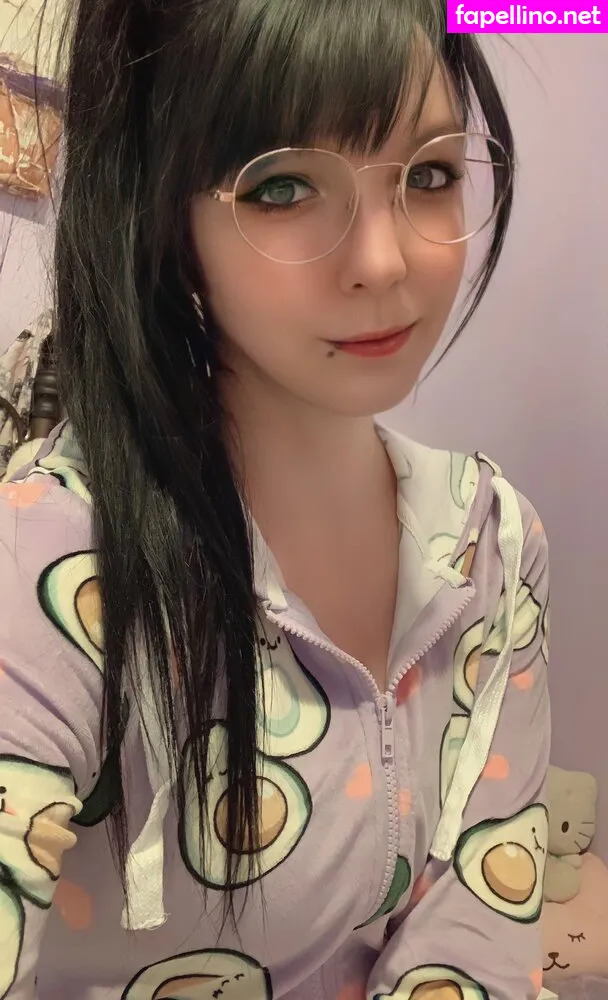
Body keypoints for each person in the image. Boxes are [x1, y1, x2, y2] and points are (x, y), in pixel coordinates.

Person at [0, 0, 551, 997]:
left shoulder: (493, 540)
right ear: (163, 215)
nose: (384, 262)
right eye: (284, 187)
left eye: (429, 175)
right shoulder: (48, 563)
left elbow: (476, 914)